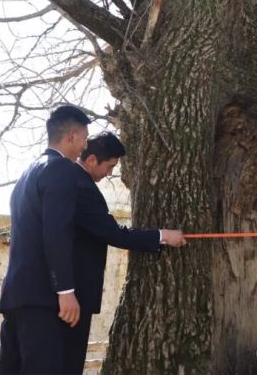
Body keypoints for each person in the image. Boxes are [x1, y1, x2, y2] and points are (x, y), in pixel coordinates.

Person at [64, 131, 186, 373]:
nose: (110, 173)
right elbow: (114, 234)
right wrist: (162, 236)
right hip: (73, 294)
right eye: (109, 166)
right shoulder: (81, 186)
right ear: (91, 160)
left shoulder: (71, 182)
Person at [0, 104, 91, 374]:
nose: (85, 146)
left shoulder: (27, 174)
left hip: (16, 296)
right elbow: (55, 231)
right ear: (71, 136)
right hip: (42, 299)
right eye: (84, 137)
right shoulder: (61, 169)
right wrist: (66, 291)